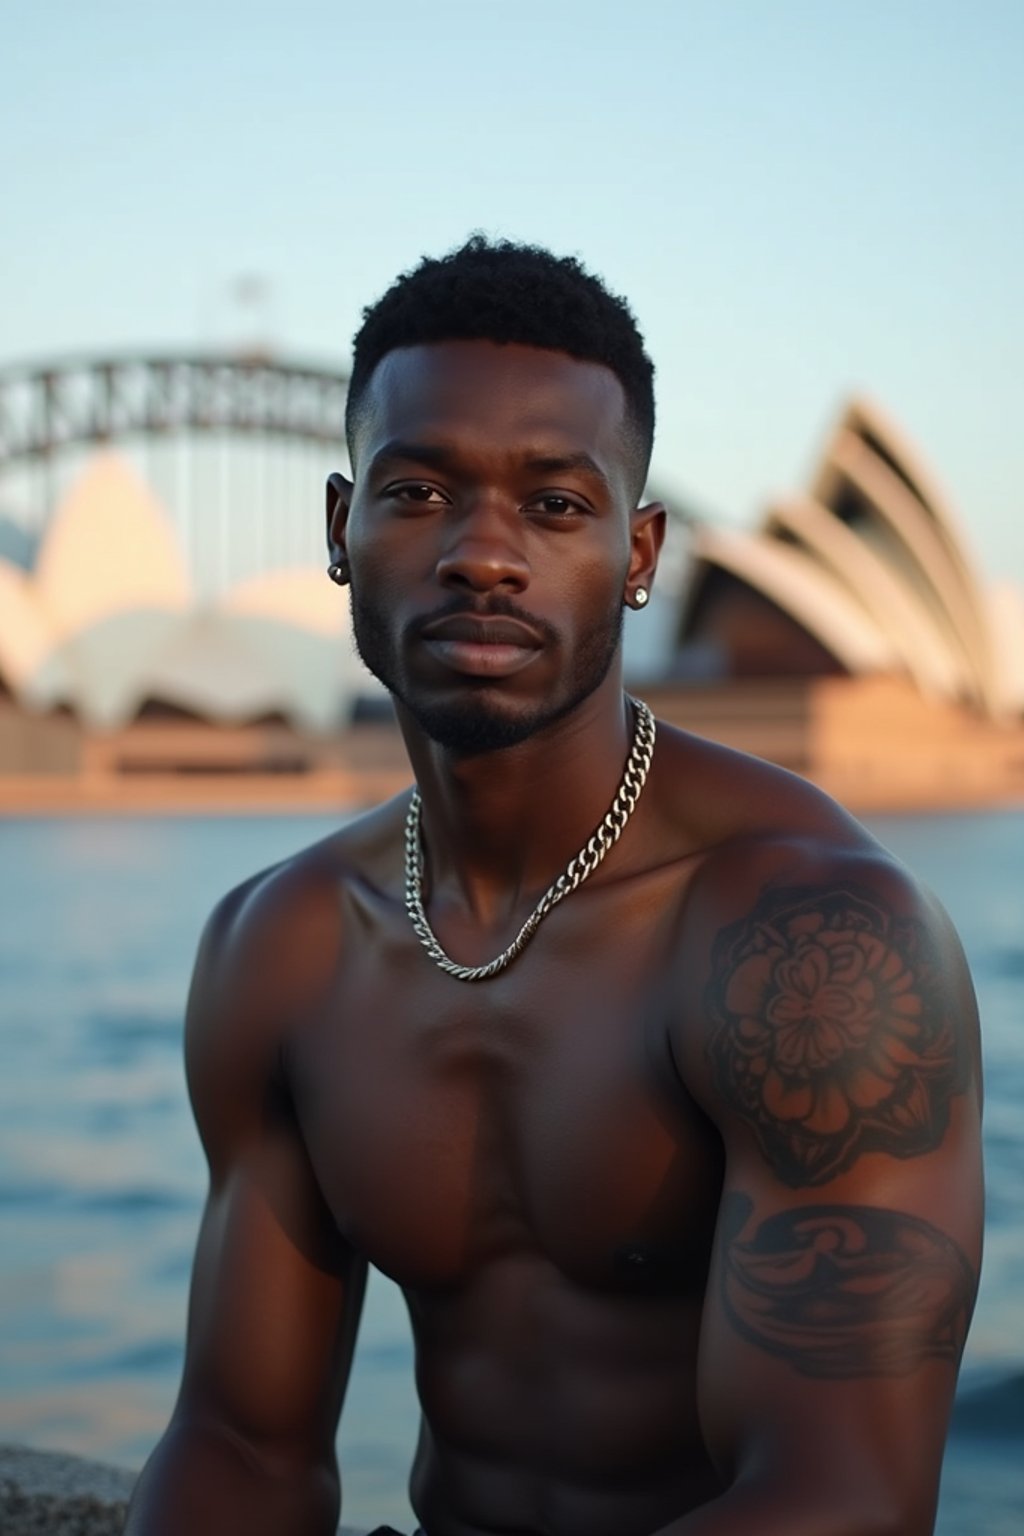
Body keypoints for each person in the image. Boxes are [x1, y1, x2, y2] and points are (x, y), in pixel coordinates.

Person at [126, 237, 983, 1536]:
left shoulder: (809, 942)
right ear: (338, 531)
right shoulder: (282, 943)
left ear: (640, 556)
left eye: (556, 505)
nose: (483, 553)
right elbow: (242, 1450)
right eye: (418, 495)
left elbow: (843, 1500)